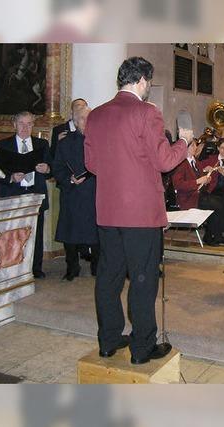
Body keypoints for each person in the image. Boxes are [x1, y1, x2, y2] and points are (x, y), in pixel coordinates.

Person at [84, 56, 193, 364]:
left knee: (108, 278)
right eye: (149, 83)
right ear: (143, 80)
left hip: (107, 212)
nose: (148, 89)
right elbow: (164, 162)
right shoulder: (147, 113)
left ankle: (108, 341)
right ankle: (142, 349)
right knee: (143, 281)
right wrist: (184, 143)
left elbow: (91, 165)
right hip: (141, 214)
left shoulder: (96, 115)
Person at [0, 111, 52, 279]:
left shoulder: (42, 144)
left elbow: (52, 168)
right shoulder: (4, 145)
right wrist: (10, 177)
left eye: (29, 124)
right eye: (21, 124)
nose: (25, 128)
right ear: (14, 125)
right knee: (12, 233)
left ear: (33, 125)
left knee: (35, 233)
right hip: (13, 194)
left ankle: (36, 267)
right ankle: (12, 266)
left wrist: (47, 169)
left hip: (35, 194)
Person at [52, 106, 99, 281]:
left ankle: (97, 266)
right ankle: (72, 267)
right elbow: (57, 168)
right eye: (82, 119)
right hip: (73, 193)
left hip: (95, 193)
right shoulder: (65, 142)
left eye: (89, 118)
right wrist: (70, 178)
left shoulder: (101, 141)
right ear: (75, 121)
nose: (86, 122)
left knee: (96, 234)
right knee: (70, 232)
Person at [171, 140, 224, 246]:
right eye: (194, 145)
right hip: (188, 198)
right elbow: (178, 185)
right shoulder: (180, 163)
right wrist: (198, 181)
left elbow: (201, 179)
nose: (197, 147)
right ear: (186, 148)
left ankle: (217, 235)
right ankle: (210, 236)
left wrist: (207, 180)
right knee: (216, 204)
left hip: (199, 194)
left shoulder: (195, 161)